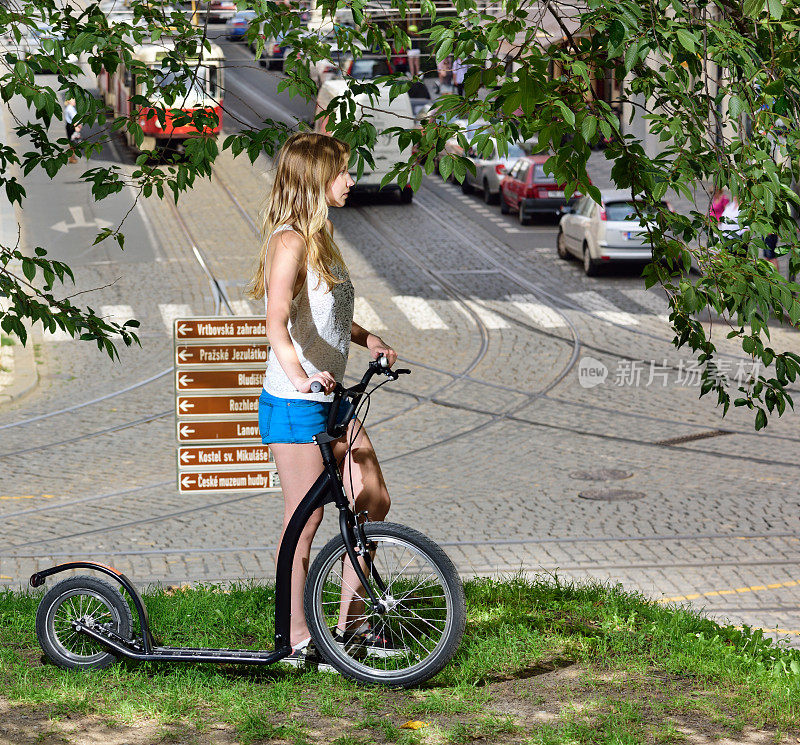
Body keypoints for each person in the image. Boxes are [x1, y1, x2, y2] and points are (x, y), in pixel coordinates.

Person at [248, 132, 399, 664]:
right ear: (316, 179)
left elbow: (326, 312)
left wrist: (367, 339)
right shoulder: (287, 242)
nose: (352, 180)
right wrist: (304, 377)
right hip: (294, 403)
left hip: (332, 402)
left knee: (372, 499)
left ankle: (350, 629)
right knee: (303, 524)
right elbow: (276, 322)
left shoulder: (323, 234)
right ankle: (295, 640)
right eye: (343, 172)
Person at [64, 97, 81, 164]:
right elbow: (74, 119)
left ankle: (72, 157)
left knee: (72, 142)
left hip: (70, 126)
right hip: (72, 127)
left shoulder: (70, 107)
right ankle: (71, 157)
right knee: (73, 142)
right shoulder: (70, 109)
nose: (74, 101)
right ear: (69, 101)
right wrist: (76, 127)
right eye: (73, 100)